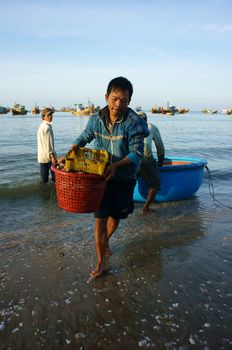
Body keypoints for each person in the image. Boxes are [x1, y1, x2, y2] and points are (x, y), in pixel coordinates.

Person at [64, 77, 149, 277]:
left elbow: (137, 153)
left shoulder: (134, 122)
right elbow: (84, 137)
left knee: (116, 216)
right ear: (106, 97)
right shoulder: (96, 119)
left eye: (124, 100)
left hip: (124, 178)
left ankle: (106, 240)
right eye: (114, 99)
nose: (118, 105)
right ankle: (101, 262)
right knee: (100, 218)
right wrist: (71, 152)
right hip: (99, 178)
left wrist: (116, 166)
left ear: (129, 101)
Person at [138, 113, 165, 215]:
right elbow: (160, 147)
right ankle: (145, 209)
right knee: (155, 183)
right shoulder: (151, 127)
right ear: (146, 119)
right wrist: (160, 163)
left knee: (129, 182)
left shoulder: (129, 126)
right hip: (145, 159)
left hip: (129, 158)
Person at [37, 107, 57, 183]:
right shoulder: (47, 127)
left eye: (51, 114)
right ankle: (54, 193)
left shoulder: (41, 126)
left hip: (42, 157)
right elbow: (48, 143)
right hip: (49, 157)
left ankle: (42, 193)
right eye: (48, 115)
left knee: (44, 179)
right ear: (43, 117)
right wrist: (52, 156)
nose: (51, 116)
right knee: (55, 179)